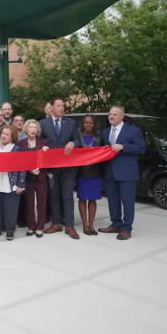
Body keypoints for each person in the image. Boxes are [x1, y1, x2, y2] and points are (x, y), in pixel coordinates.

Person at [98, 106, 146, 240]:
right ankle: (116, 224)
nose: (111, 116)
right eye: (110, 114)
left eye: (115, 114)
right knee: (113, 201)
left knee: (128, 202)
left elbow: (141, 148)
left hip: (127, 173)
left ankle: (126, 228)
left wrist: (124, 146)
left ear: (122, 116)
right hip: (110, 173)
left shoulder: (133, 130)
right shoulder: (105, 132)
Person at [39, 98, 82, 239]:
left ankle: (69, 225)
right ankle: (56, 223)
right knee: (54, 196)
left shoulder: (70, 123)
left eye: (63, 106)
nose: (61, 108)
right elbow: (38, 142)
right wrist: (42, 146)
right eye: (58, 105)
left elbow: (78, 140)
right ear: (51, 107)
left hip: (68, 166)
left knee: (68, 196)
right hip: (51, 167)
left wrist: (72, 143)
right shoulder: (42, 124)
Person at [0, 125, 26, 240]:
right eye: (2, 133)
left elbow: (23, 167)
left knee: (11, 208)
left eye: (7, 134)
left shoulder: (16, 149)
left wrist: (21, 184)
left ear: (12, 137)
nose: (3, 136)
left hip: (10, 183)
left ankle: (10, 230)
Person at [17, 119, 49, 238]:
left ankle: (40, 227)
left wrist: (47, 152)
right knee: (29, 203)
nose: (33, 130)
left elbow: (47, 161)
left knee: (41, 203)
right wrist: (30, 169)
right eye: (30, 127)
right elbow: (19, 161)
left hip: (41, 176)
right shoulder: (20, 143)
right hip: (27, 177)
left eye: (35, 128)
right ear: (26, 129)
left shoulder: (43, 143)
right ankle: (31, 226)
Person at [76, 115, 103, 236]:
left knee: (92, 198)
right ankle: (85, 225)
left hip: (95, 171)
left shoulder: (99, 137)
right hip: (81, 171)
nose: (88, 125)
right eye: (86, 123)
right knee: (82, 198)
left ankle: (91, 225)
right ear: (82, 124)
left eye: (90, 123)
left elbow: (104, 152)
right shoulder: (77, 137)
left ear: (94, 125)